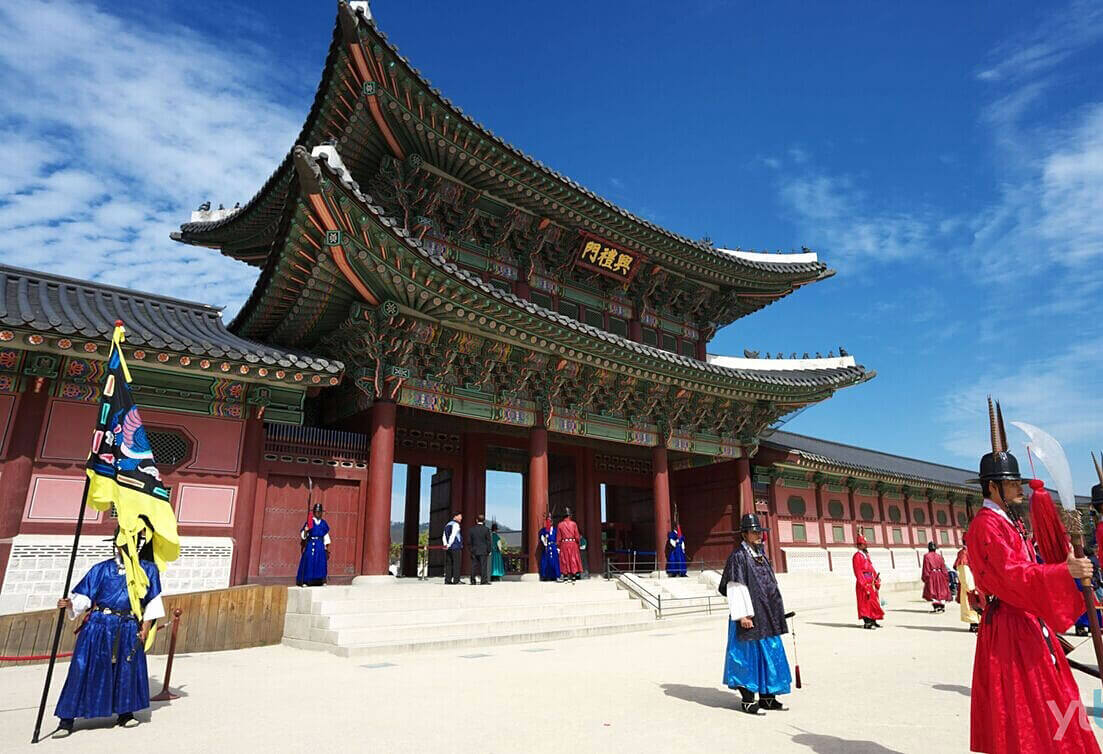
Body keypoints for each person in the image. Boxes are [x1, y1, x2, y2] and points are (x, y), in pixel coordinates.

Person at [966, 398, 1098, 754]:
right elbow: (1012, 575)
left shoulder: (1009, 521)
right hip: (1012, 628)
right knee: (1027, 706)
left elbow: (1026, 564)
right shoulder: (986, 525)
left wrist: (1060, 561)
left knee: (1054, 698)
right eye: (1013, 484)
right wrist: (1063, 572)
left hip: (1027, 623)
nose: (1020, 490)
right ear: (993, 487)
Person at [53, 529, 164, 736]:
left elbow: (153, 602)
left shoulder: (147, 570)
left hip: (128, 624)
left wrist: (146, 627)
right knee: (83, 667)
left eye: (132, 542)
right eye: (123, 542)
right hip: (99, 624)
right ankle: (66, 719)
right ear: (116, 544)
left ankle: (125, 712)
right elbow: (85, 597)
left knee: (126, 670)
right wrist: (70, 603)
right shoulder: (101, 569)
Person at [718, 514, 791, 714]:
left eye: (759, 531)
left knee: (771, 653)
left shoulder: (760, 554)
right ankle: (749, 700)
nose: (758, 534)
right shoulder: (738, 557)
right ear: (744, 534)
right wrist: (743, 615)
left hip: (767, 614)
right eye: (754, 531)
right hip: (749, 616)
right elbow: (735, 587)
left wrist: (777, 610)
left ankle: (768, 696)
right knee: (748, 656)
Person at [852, 534, 883, 629]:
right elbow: (858, 571)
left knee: (873, 601)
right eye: (862, 544)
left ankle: (873, 620)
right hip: (864, 582)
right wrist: (863, 583)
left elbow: (871, 568)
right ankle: (867, 622)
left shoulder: (866, 555)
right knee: (865, 602)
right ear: (859, 545)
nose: (864, 546)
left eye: (865, 544)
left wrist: (876, 579)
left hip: (871, 581)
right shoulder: (857, 556)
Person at [296, 502, 330, 587]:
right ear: (314, 512)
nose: (318, 513)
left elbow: (326, 535)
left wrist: (325, 546)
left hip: (320, 544)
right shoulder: (310, 522)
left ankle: (321, 580)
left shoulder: (323, 523)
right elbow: (304, 535)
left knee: (320, 561)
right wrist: (306, 530)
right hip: (311, 543)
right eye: (316, 512)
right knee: (309, 560)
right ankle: (306, 580)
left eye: (319, 512)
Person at [954, 545, 982, 633]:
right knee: (974, 602)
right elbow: (964, 570)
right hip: (974, 581)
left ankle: (976, 623)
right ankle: (975, 623)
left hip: (974, 582)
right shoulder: (966, 552)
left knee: (973, 602)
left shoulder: (965, 552)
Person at [921, 541, 951, 613]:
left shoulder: (926, 556)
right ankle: (942, 606)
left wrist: (925, 577)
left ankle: (937, 607)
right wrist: (946, 576)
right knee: (941, 591)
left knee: (934, 591)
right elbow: (943, 567)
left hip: (932, 575)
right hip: (940, 574)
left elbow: (926, 567)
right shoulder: (939, 556)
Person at [557, 509, 584, 582]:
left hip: (564, 544)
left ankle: (565, 576)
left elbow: (559, 537)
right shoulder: (574, 524)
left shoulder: (560, 524)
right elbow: (577, 535)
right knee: (573, 559)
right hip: (573, 543)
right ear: (570, 515)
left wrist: (558, 545)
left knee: (564, 559)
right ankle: (574, 575)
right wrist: (578, 543)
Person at [468, 514, 492, 585]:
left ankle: (472, 581)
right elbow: (488, 541)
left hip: (474, 550)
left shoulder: (471, 529)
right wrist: (489, 550)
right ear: (484, 521)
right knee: (483, 566)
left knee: (473, 566)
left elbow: (469, 541)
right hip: (483, 550)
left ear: (476, 520)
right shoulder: (486, 529)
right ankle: (483, 581)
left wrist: (471, 549)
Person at [538, 515, 561, 582]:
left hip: (554, 546)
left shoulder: (555, 530)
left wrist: (558, 547)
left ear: (552, 522)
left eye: (550, 521)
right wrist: (544, 540)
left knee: (555, 561)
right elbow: (541, 537)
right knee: (546, 561)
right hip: (547, 547)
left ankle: (556, 576)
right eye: (547, 521)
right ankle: (545, 576)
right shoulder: (543, 530)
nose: (549, 523)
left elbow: (558, 538)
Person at [443, 512, 463, 585]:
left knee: (449, 564)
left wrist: (445, 544)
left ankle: (447, 580)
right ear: (455, 516)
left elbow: (444, 536)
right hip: (455, 546)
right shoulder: (456, 524)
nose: (461, 518)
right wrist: (449, 544)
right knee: (456, 563)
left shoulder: (448, 524)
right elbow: (453, 535)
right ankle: (456, 580)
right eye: (460, 516)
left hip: (448, 547)